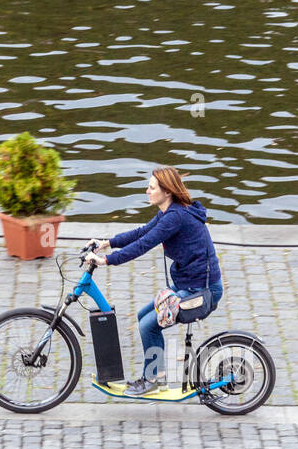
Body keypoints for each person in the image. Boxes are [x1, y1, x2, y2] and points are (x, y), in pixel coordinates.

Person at [83, 167, 223, 396]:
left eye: (152, 187)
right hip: (187, 282)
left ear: (167, 192)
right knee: (143, 317)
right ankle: (156, 375)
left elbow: (143, 245)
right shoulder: (170, 212)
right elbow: (142, 232)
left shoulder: (175, 217)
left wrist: (106, 261)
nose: (147, 191)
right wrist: (106, 243)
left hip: (202, 289)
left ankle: (154, 380)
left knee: (149, 325)